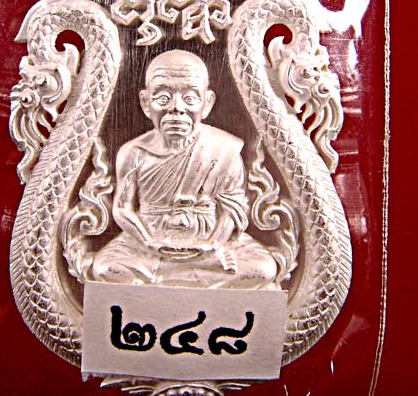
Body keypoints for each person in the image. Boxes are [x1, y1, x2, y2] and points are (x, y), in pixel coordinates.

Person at [92, 50, 278, 289]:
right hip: (148, 242)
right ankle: (194, 279)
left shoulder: (224, 149)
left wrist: (213, 244)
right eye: (163, 97)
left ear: (207, 103)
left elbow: (233, 209)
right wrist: (149, 242)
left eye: (190, 98)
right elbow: (122, 208)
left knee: (262, 269)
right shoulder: (133, 152)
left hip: (210, 240)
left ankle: (165, 281)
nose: (176, 108)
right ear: (146, 103)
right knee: (106, 268)